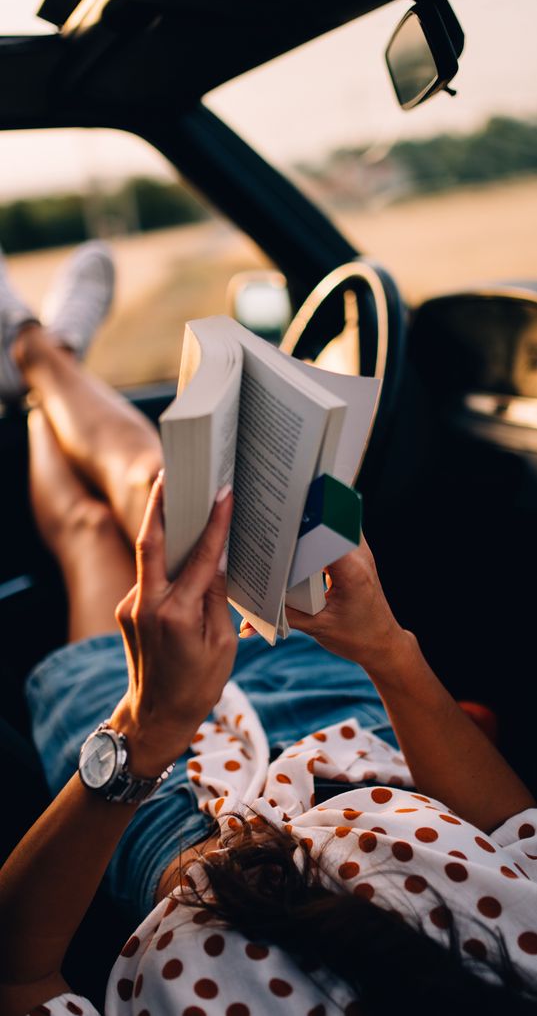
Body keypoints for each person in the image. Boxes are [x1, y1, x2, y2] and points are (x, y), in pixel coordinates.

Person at [0, 243, 536, 1016]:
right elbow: (516, 834)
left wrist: (145, 729)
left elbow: (18, 977)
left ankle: (33, 352)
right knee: (154, 485)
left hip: (161, 814)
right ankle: (45, 352)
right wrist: (385, 643)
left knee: (93, 528)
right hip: (350, 729)